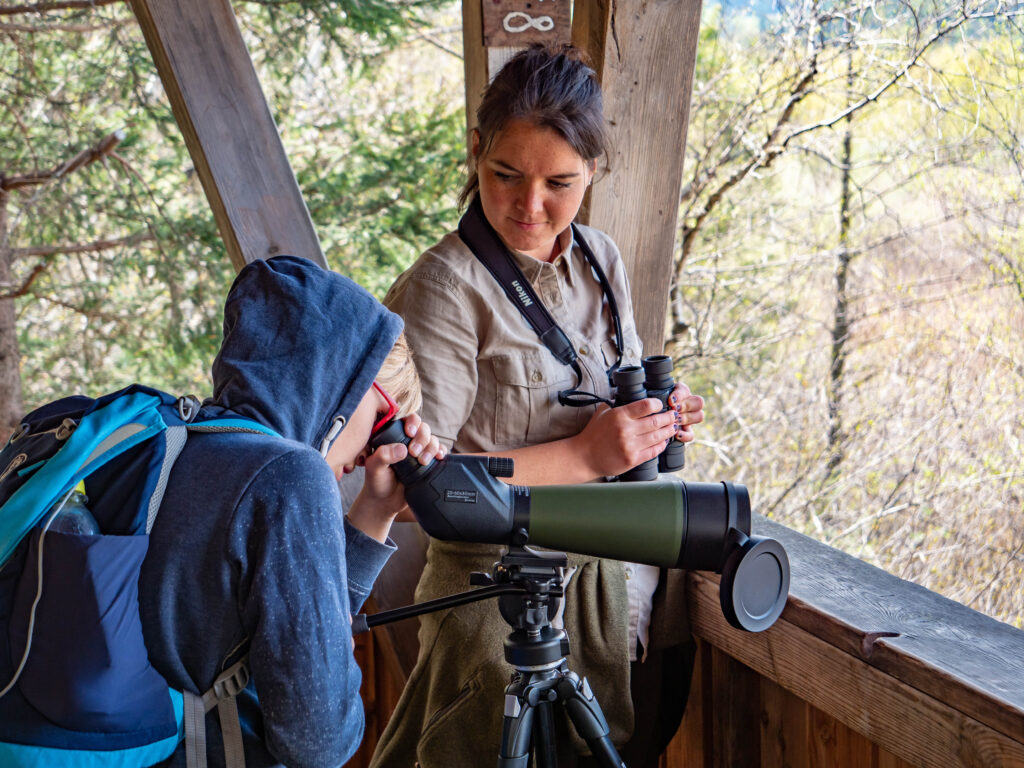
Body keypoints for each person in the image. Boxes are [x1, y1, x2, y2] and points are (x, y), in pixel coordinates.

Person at [371, 45, 705, 767]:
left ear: (595, 172)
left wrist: (653, 419)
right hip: (496, 589)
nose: (531, 206)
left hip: (608, 575)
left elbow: (612, 390)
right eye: (504, 176)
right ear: (474, 152)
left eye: (560, 182)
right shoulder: (444, 290)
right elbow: (409, 491)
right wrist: (586, 455)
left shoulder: (602, 259)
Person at [136, 254, 443, 767]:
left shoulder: (176, 446)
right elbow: (319, 740)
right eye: (386, 418)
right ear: (346, 384)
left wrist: (375, 512)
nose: (371, 448)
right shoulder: (288, 478)